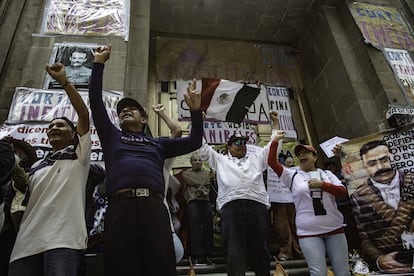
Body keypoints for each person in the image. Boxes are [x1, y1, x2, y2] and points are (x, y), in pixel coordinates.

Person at [88, 45, 203, 276]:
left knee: (160, 264)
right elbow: (95, 102)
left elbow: (194, 142)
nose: (125, 111)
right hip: (120, 207)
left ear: (143, 120)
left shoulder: (158, 143)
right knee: (120, 265)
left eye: (132, 109)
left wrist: (196, 112)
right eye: (122, 110)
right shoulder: (112, 136)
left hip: (154, 207)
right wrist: (99, 63)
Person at [8, 62, 91, 276]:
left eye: (60, 125)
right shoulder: (36, 167)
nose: (54, 128)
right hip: (25, 245)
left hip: (62, 241)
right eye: (50, 127)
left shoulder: (79, 156)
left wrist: (64, 81)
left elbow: (83, 115)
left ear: (73, 135)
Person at [197, 111, 279, 276]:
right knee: (234, 249)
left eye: (244, 142)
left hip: (256, 204)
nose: (242, 144)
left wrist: (276, 124)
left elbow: (273, 147)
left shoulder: (255, 159)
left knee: (260, 248)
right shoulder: (220, 160)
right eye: (237, 142)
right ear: (229, 147)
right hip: (231, 205)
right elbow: (202, 146)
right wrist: (198, 120)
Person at [268, 131, 350, 276]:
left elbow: (343, 192)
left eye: (306, 152)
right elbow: (272, 162)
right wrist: (275, 140)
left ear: (315, 157)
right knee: (318, 272)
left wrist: (323, 185)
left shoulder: (327, 175)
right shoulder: (292, 175)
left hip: (334, 229)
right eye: (299, 154)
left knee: (342, 272)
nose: (302, 155)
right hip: (309, 232)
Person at [350, 140, 414, 273]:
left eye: (385, 159)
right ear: (364, 166)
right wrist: (380, 260)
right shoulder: (358, 197)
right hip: (394, 263)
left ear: (393, 157)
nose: (380, 167)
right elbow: (363, 237)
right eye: (372, 163)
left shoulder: (411, 181)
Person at [175, 153, 214, 266]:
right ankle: (197, 254)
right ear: (191, 162)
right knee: (194, 228)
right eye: (195, 160)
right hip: (193, 202)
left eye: (199, 160)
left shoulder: (207, 173)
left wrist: (207, 180)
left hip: (205, 201)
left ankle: (207, 254)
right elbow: (193, 181)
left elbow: (204, 183)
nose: (197, 162)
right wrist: (206, 180)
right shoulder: (186, 174)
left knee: (208, 228)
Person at [269, 156, 302, 261]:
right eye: (288, 163)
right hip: (278, 200)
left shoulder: (294, 172)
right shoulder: (270, 171)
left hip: (292, 201)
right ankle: (285, 251)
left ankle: (299, 250)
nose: (289, 165)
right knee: (281, 226)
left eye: (291, 163)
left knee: (295, 224)